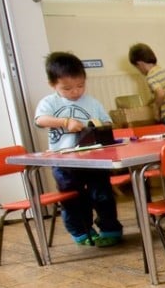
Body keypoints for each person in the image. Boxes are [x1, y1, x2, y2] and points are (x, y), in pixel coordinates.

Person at [33, 52, 124, 247]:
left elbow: (107, 121)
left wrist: (98, 125)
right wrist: (65, 122)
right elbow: (40, 120)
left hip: (94, 159)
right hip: (64, 162)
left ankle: (110, 229)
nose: (75, 92)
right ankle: (82, 232)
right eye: (67, 88)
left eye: (80, 86)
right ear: (53, 85)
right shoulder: (50, 102)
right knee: (73, 199)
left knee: (102, 194)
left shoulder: (92, 102)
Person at [127, 42, 165, 127]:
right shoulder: (164, 71)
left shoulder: (150, 77)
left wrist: (156, 110)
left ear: (140, 64)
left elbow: (161, 93)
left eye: (137, 67)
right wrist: (151, 102)